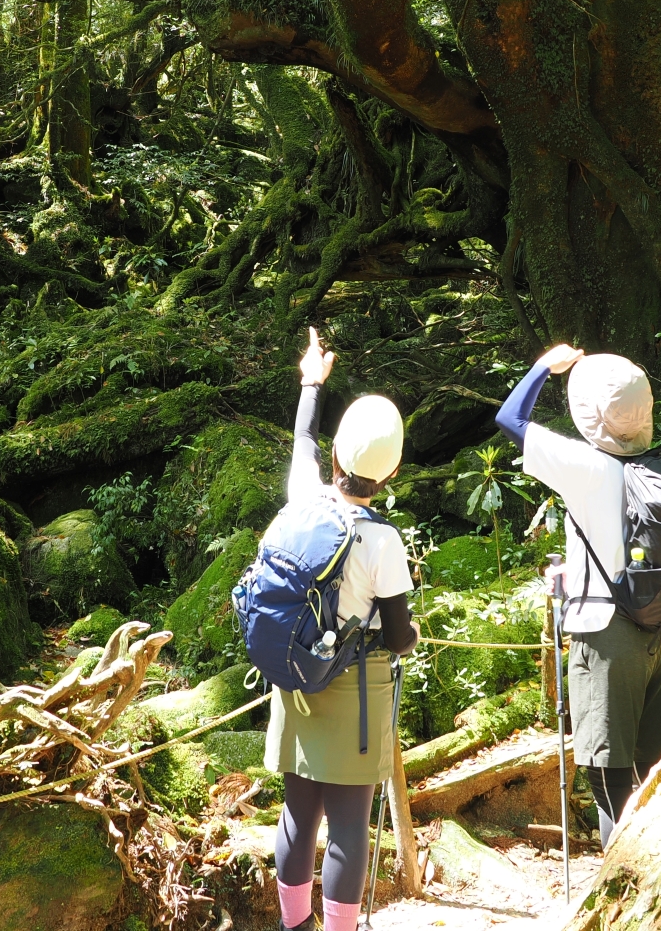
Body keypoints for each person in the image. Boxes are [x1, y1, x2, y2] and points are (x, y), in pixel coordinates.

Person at [267, 328, 420, 931]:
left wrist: (312, 380)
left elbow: (303, 436)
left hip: (297, 678)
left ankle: (293, 926)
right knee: (349, 826)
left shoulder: (302, 499)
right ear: (394, 472)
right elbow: (401, 634)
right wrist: (388, 634)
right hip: (357, 691)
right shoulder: (384, 541)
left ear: (336, 459)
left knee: (297, 816)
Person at [494, 342, 661, 849]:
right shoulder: (658, 466)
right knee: (649, 769)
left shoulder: (586, 466)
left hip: (607, 636)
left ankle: (622, 898)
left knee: (607, 779)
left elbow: (511, 419)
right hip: (656, 632)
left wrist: (543, 367)